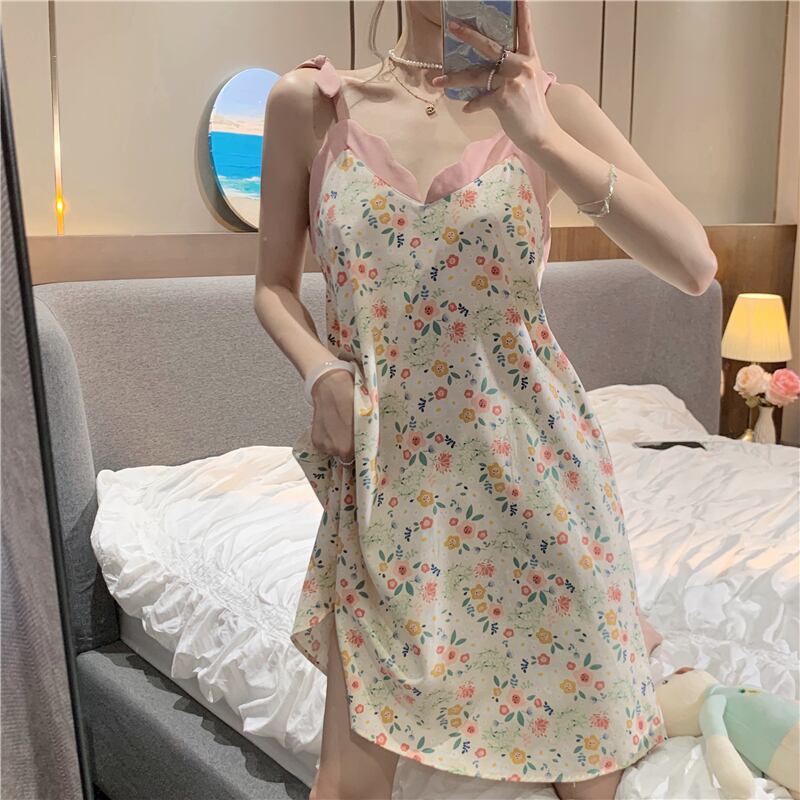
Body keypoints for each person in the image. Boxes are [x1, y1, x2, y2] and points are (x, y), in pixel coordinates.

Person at [253, 2, 717, 798]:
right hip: (392, 495)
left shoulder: (552, 108)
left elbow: (694, 263)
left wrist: (540, 135)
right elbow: (272, 286)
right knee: (347, 786)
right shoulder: (311, 105)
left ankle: (659, 684)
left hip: (545, 486)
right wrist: (320, 372)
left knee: (589, 779)